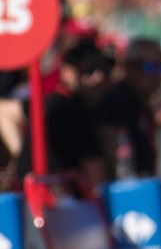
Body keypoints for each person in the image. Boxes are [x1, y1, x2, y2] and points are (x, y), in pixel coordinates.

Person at [13, 38, 110, 184]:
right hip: (51, 193)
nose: (98, 77)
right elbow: (96, 178)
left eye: (104, 69)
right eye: (88, 70)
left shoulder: (51, 102)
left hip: (33, 188)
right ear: (66, 72)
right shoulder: (74, 109)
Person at [94, 36, 161, 180]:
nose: (156, 75)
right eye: (149, 68)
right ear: (130, 68)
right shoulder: (116, 104)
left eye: (160, 68)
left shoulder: (142, 102)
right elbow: (114, 158)